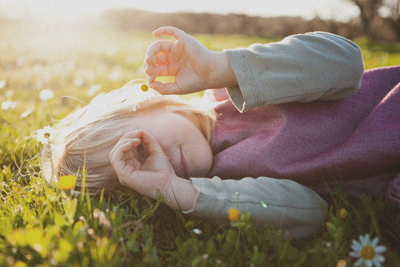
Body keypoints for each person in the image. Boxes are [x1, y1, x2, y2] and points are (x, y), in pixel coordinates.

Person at [41, 26, 400, 239]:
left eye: (139, 148)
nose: (160, 163)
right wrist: (173, 190)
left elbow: (347, 63)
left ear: (149, 105)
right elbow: (311, 212)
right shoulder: (218, 190)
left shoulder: (234, 86)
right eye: (135, 183)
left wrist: (221, 68)